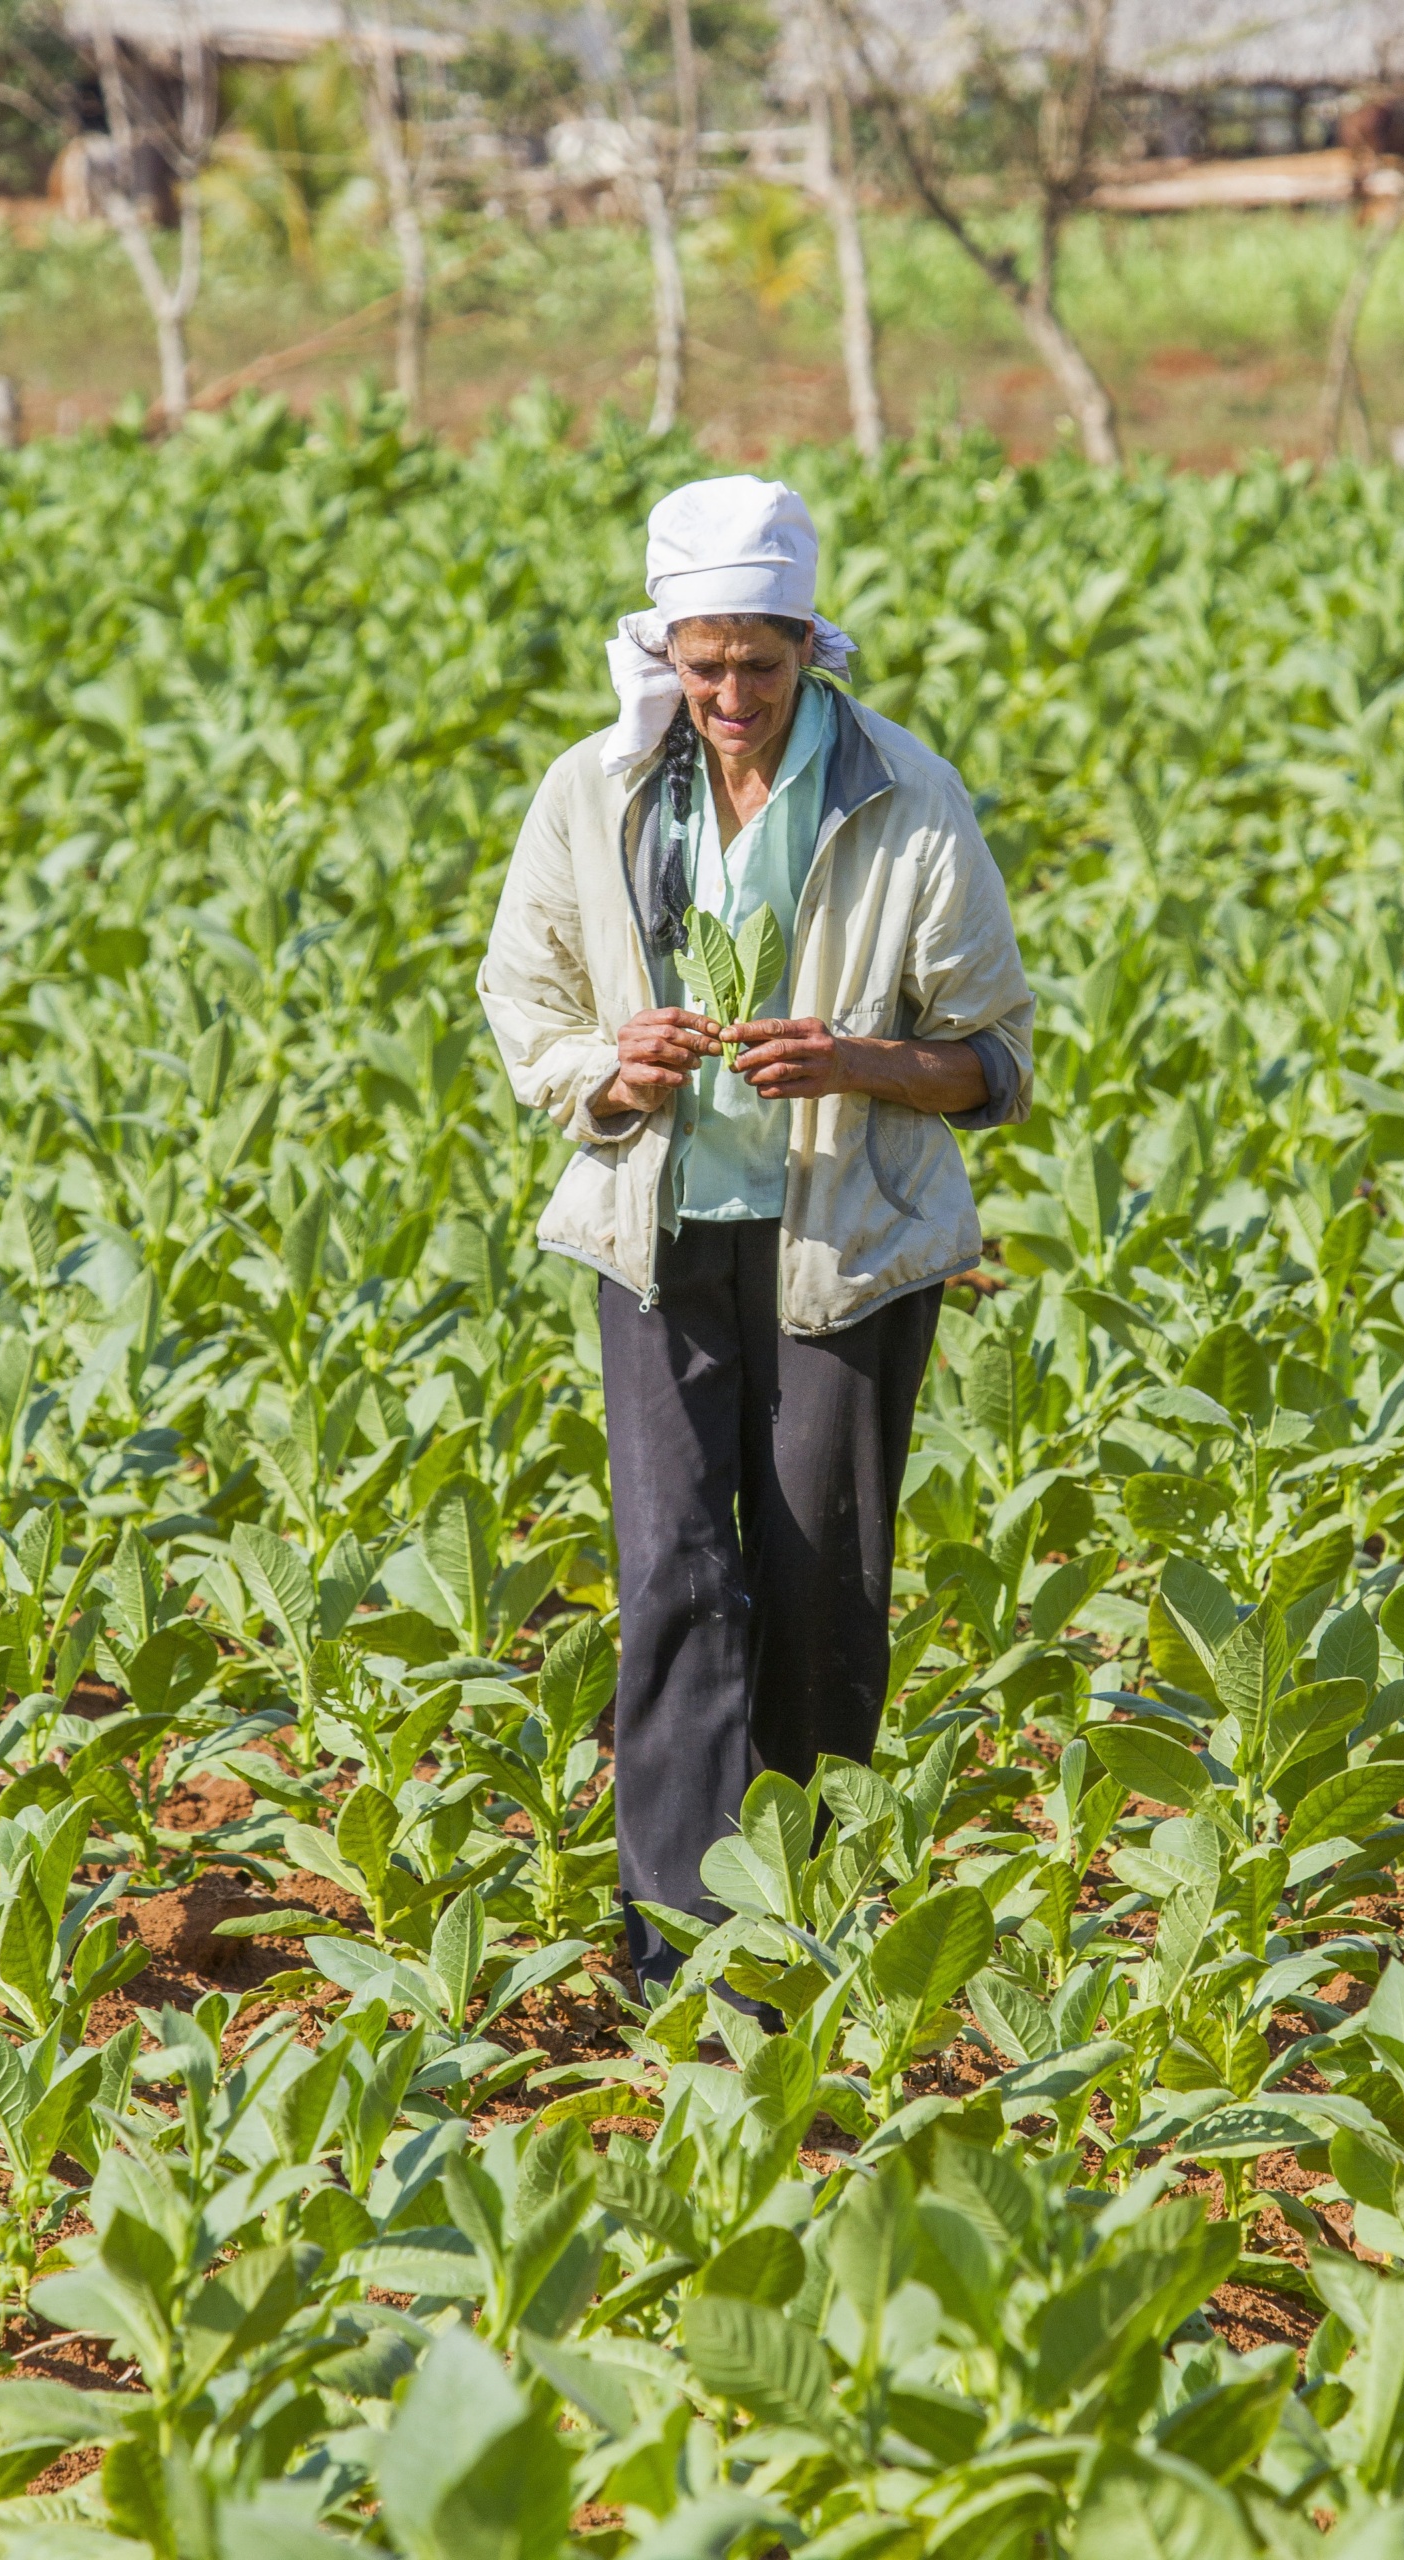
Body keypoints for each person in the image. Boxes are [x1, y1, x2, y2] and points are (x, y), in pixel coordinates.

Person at [480, 474, 1032, 2002]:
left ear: (811, 649)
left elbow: (993, 1057)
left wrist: (851, 1057)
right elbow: (523, 1002)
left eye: (759, 666)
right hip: (654, 1240)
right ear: (665, 646)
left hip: (839, 1247)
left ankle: (799, 1931)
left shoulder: (905, 797)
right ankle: (675, 1946)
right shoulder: (593, 792)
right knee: (668, 1578)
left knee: (817, 1587)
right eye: (702, 664)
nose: (729, 697)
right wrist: (612, 1067)